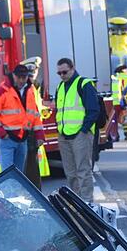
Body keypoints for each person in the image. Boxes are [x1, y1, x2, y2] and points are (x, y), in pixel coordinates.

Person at [0, 63, 45, 187]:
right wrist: (2, 133)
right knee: (8, 174)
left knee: (19, 174)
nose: (21, 80)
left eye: (24, 77)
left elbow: (34, 113)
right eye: (19, 77)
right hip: (7, 138)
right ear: (13, 75)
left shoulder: (29, 90)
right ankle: (8, 199)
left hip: (22, 138)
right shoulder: (2, 91)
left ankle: (16, 198)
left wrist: (39, 134)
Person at [54, 57, 99, 202]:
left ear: (72, 68)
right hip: (64, 134)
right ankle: (77, 201)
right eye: (59, 73)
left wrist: (84, 130)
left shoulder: (84, 84)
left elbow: (93, 110)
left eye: (64, 72)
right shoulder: (60, 87)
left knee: (83, 170)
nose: (62, 75)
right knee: (71, 172)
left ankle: (87, 202)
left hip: (80, 134)